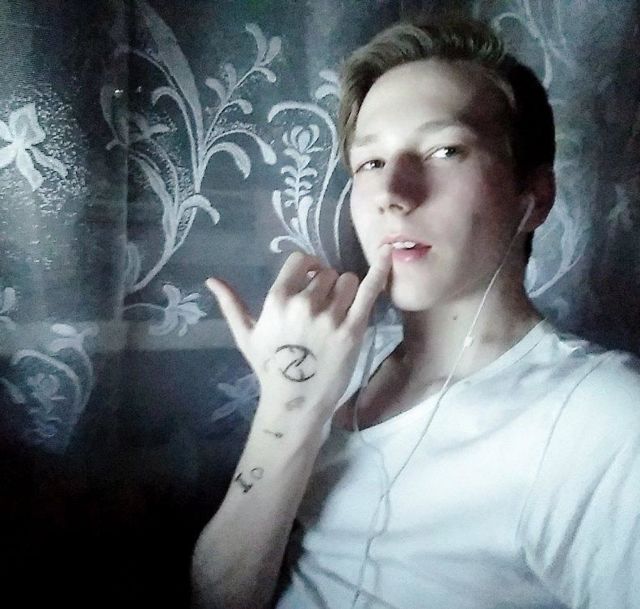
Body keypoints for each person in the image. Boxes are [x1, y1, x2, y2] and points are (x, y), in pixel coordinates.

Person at [191, 18, 640, 609]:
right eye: (371, 163)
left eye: (445, 151)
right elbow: (219, 596)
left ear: (533, 197)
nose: (392, 194)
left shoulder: (603, 421)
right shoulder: (340, 361)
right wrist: (289, 405)